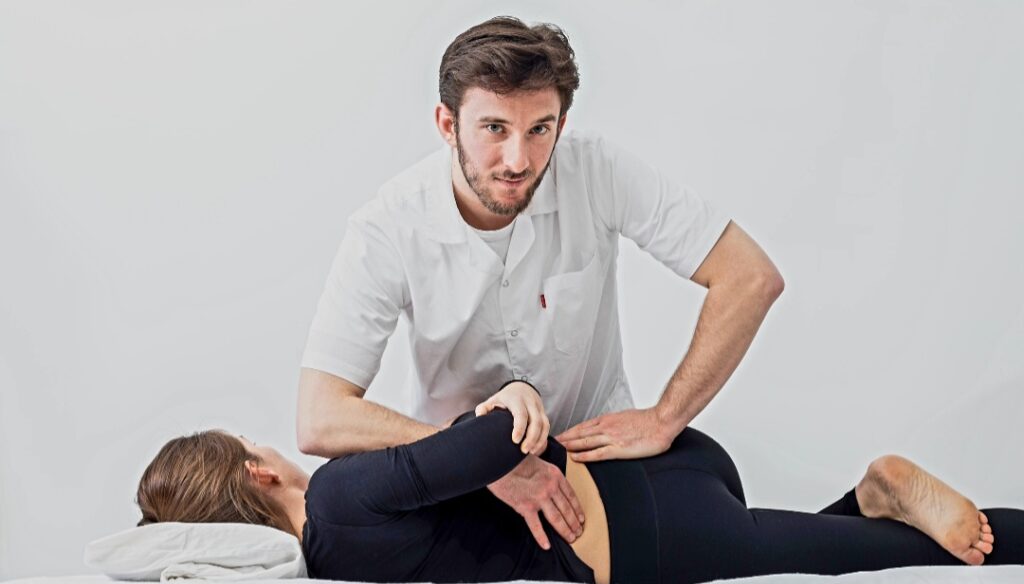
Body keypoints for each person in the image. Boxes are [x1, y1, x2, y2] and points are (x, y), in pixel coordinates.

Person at [296, 16, 785, 552]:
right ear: (447, 124)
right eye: (494, 128)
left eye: (539, 130)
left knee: (741, 545)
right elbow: (319, 417)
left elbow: (749, 276)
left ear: (562, 123)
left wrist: (665, 418)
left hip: (600, 475)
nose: (518, 160)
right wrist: (474, 461)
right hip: (467, 497)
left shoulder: (596, 170)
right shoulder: (388, 226)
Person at [135, 383, 1018, 584]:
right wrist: (511, 394)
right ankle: (870, 495)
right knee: (863, 549)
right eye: (255, 443)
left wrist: (504, 413)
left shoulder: (332, 548)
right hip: (651, 510)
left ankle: (879, 498)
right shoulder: (332, 500)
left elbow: (479, 452)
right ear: (256, 470)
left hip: (650, 519)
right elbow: (488, 440)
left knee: (909, 556)